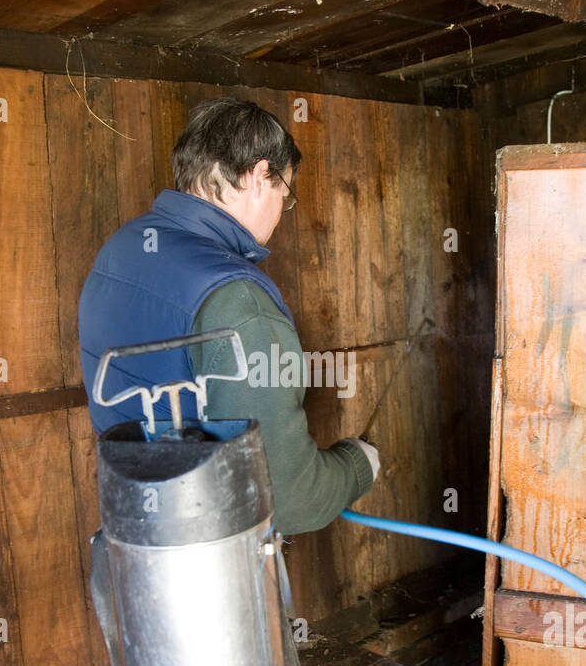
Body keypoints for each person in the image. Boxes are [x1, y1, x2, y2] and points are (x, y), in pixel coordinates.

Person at [78, 96, 379, 533]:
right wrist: (358, 464)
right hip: (212, 556)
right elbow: (290, 503)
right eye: (285, 192)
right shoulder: (239, 301)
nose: (281, 210)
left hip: (131, 538)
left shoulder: (122, 248)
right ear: (260, 175)